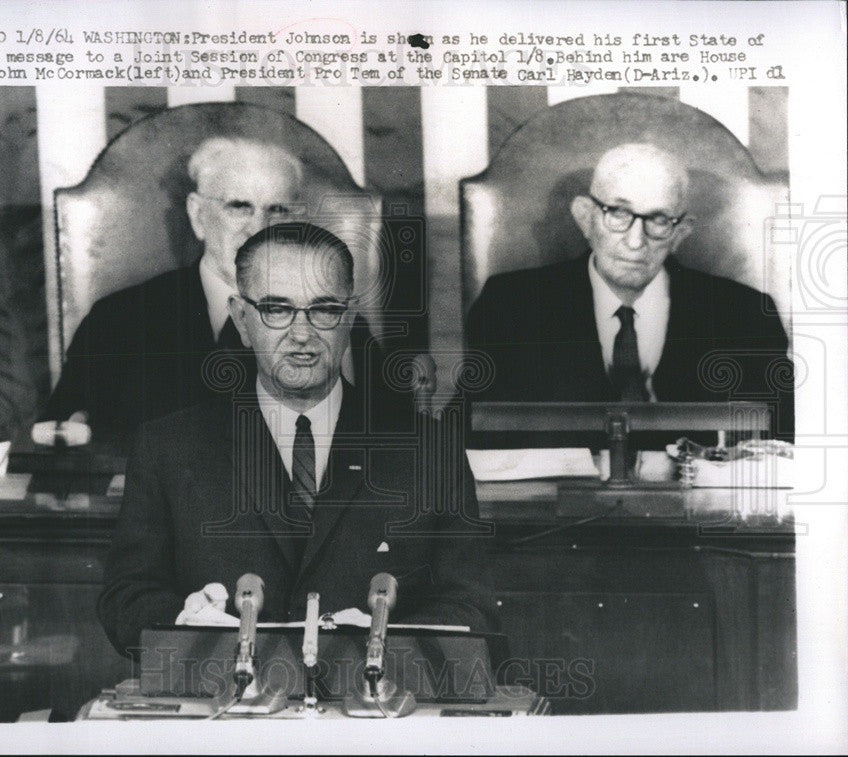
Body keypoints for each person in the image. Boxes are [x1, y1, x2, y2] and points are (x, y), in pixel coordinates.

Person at [98, 223, 495, 657]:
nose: (302, 334)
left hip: (371, 709)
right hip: (226, 707)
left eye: (323, 310)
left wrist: (381, 641)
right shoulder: (168, 448)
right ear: (241, 319)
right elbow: (127, 598)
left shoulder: (430, 451)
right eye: (277, 309)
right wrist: (189, 621)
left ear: (347, 319)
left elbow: (472, 606)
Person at [39, 137, 412, 449]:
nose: (259, 227)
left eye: (277, 209)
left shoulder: (337, 324)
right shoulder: (119, 321)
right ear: (198, 215)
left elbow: (396, 440)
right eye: (239, 206)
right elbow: (56, 440)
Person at [466, 142, 793, 440]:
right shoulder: (510, 306)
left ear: (680, 233)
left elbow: (785, 439)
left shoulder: (745, 315)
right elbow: (468, 433)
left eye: (659, 219)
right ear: (586, 217)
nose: (636, 242)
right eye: (618, 213)